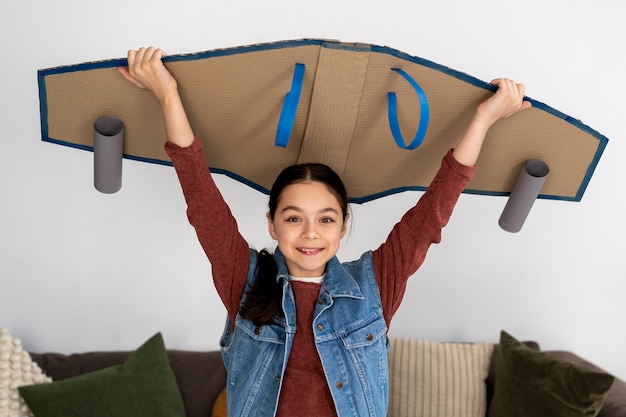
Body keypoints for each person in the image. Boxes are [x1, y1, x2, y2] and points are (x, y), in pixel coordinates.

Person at [118, 46, 531, 417]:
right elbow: (201, 198)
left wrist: (484, 118)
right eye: (294, 218)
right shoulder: (243, 280)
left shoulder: (374, 286)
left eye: (326, 219)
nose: (311, 233)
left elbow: (432, 213)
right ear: (272, 224)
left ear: (343, 226)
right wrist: (167, 94)